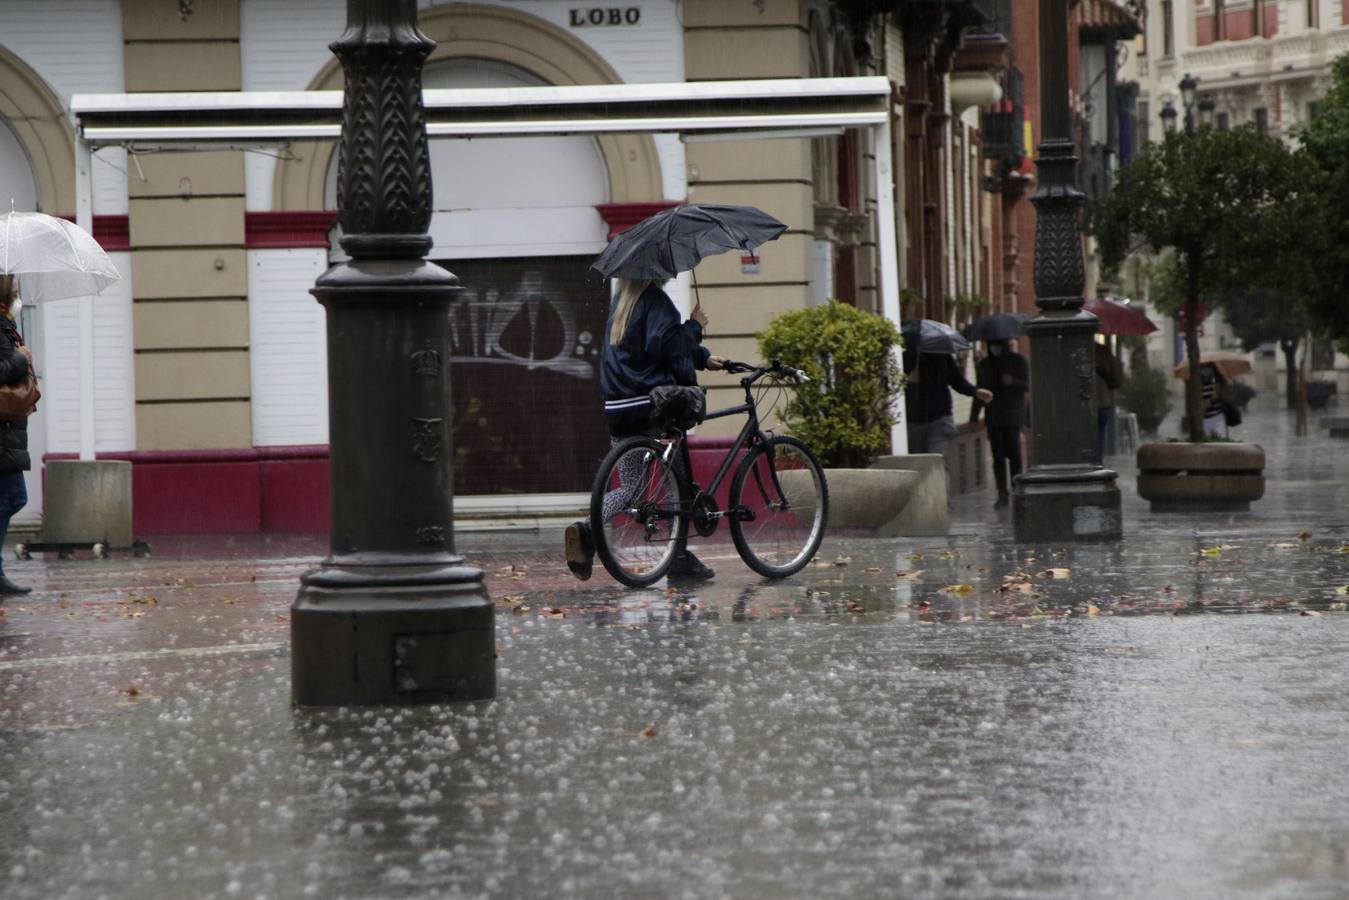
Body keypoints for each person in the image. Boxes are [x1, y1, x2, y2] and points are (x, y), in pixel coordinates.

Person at [565, 277, 725, 582]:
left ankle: (587, 528)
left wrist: (703, 357)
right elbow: (670, 349)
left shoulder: (621, 303)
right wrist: (694, 325)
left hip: (618, 409)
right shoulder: (656, 302)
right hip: (651, 406)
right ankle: (678, 557)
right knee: (677, 481)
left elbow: (648, 349)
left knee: (631, 487)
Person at [0, 276, 32, 595]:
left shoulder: (5, 321)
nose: (18, 289)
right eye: (14, 283)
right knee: (12, 497)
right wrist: (21, 358)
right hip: (3, 430)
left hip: (8, 431)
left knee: (11, 496)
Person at [971, 338, 1029, 508]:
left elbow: (1026, 385)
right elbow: (980, 390)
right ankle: (1002, 492)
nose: (994, 348)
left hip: (1012, 415)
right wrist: (974, 416)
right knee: (998, 456)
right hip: (994, 416)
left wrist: (1012, 382)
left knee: (1014, 452)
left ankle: (1017, 488)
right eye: (991, 345)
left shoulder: (1018, 361)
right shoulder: (985, 365)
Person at [903, 346, 991, 456]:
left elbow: (957, 380)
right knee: (919, 463)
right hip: (914, 421)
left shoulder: (941, 356)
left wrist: (975, 391)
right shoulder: (906, 358)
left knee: (935, 459)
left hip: (939, 418)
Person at [1094, 340, 1123, 465]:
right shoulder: (1104, 351)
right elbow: (1116, 380)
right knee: (1099, 440)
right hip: (1103, 403)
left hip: (1085, 404)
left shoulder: (1077, 350)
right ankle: (1098, 464)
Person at [1200, 362, 1236, 437]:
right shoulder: (1198, 386)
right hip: (1204, 420)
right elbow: (1199, 408)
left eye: (1208, 366)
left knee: (1221, 440)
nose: (1206, 369)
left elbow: (1228, 399)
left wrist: (1222, 389)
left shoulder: (1219, 381)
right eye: (1203, 366)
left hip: (1218, 418)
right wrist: (1211, 400)